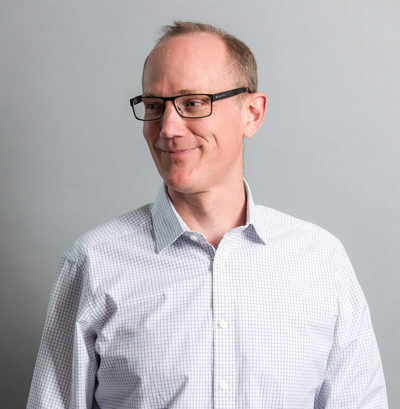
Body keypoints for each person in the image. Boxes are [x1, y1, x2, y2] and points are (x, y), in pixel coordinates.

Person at [27, 21, 388, 408]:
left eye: (194, 103)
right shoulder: (93, 261)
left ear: (252, 113)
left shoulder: (321, 261)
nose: (168, 129)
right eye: (154, 106)